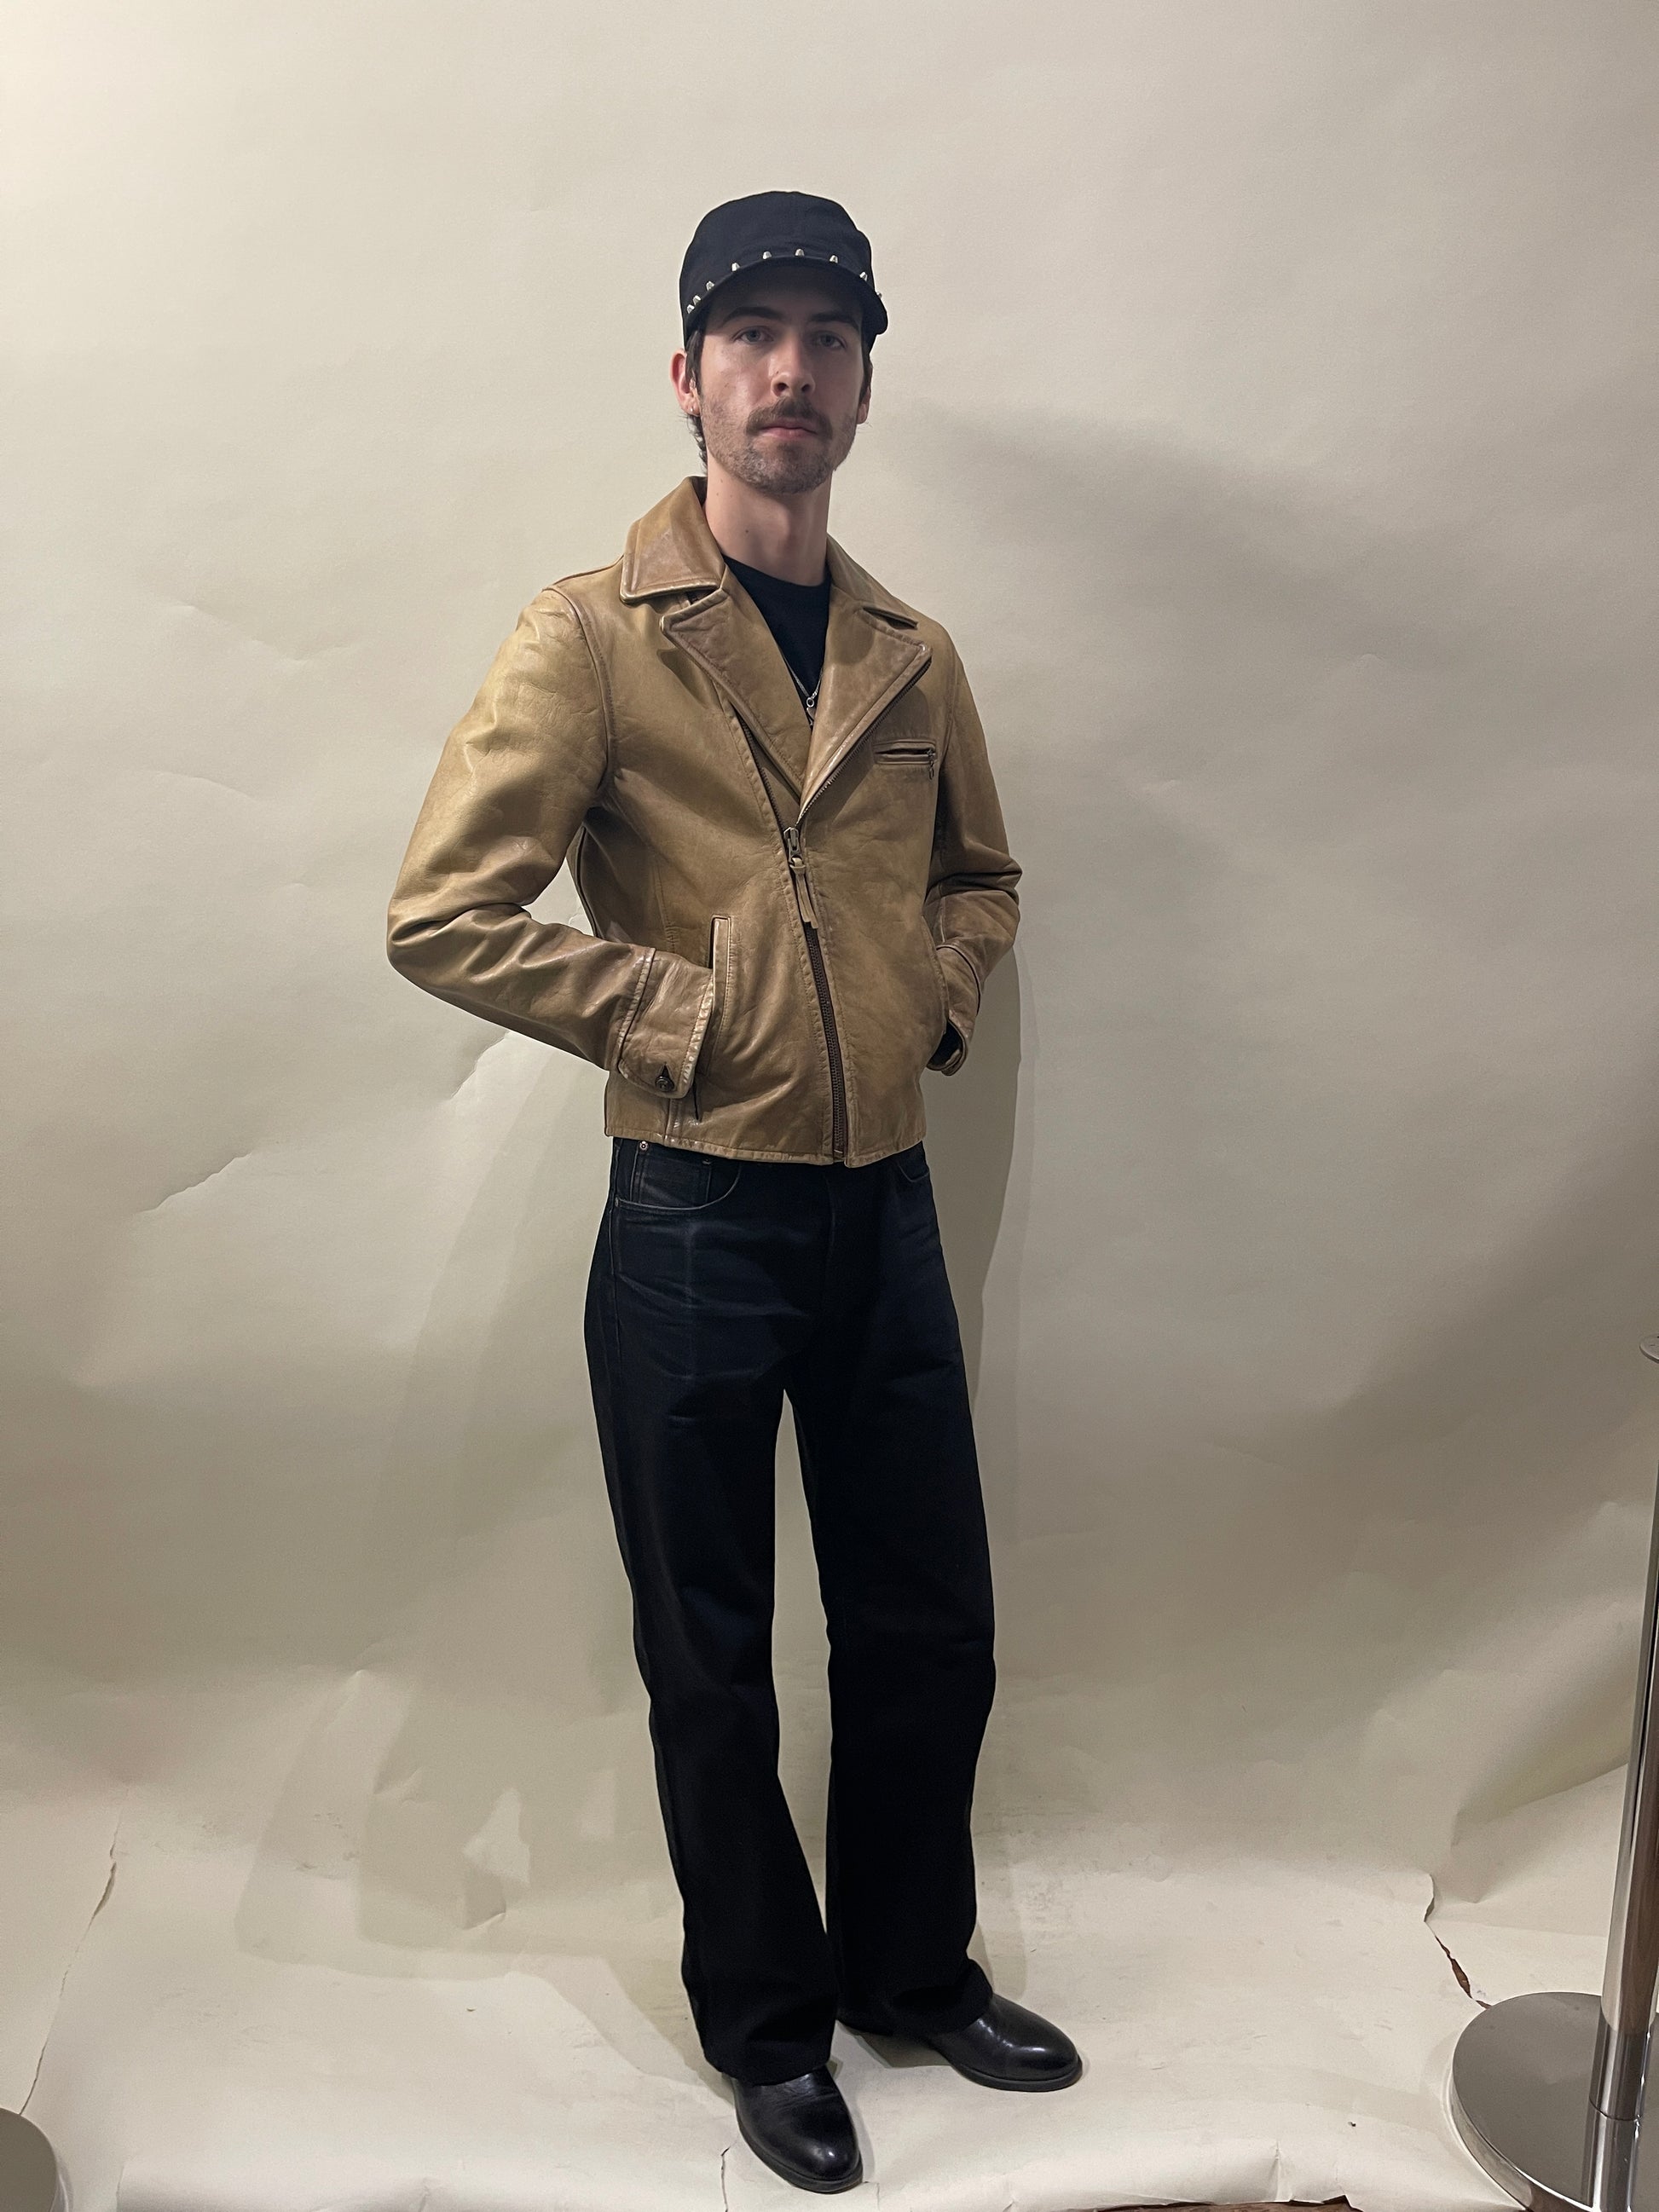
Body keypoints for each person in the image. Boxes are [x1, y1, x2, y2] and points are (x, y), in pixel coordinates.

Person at [385, 188, 1080, 2194]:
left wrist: (929, 997)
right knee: (711, 1648)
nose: (791, 370)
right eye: (751, 334)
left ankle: (912, 1969)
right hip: (694, 1212)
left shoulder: (907, 652)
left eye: (827, 336)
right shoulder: (594, 637)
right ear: (686, 379)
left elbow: (979, 877)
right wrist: (674, 1015)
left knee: (926, 1622)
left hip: (882, 1214)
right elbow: (442, 910)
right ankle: (770, 2027)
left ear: (863, 385)